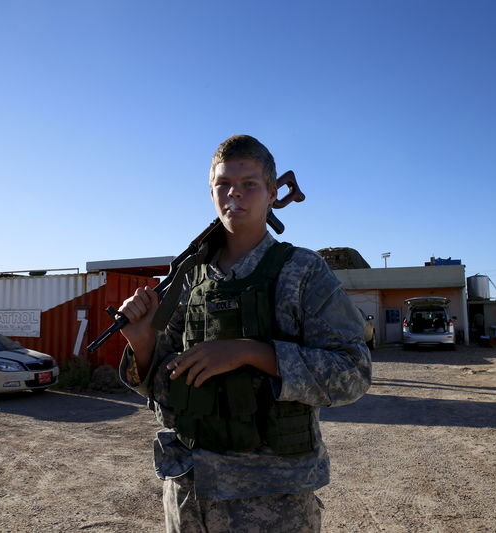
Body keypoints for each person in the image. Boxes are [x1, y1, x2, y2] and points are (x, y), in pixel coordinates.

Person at [117, 134, 371, 532]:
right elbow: (164, 389)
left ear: (272, 192)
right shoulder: (187, 279)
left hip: (273, 499)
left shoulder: (302, 272)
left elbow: (353, 373)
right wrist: (142, 342)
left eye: (249, 184)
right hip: (189, 492)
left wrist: (252, 353)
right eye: (223, 185)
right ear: (211, 192)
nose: (234, 193)